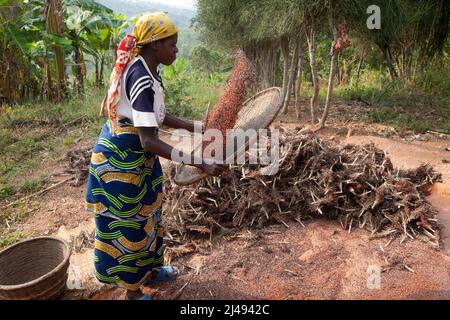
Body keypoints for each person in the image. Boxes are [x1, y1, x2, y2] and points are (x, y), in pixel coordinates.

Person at [85, 12, 226, 300]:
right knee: (129, 224)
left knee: (149, 215)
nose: (175, 49)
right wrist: (199, 161)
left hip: (138, 161)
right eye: (171, 44)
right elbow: (148, 140)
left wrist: (195, 127)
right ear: (153, 45)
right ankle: (133, 291)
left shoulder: (149, 69)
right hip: (120, 164)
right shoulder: (138, 76)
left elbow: (155, 116)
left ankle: (151, 270)